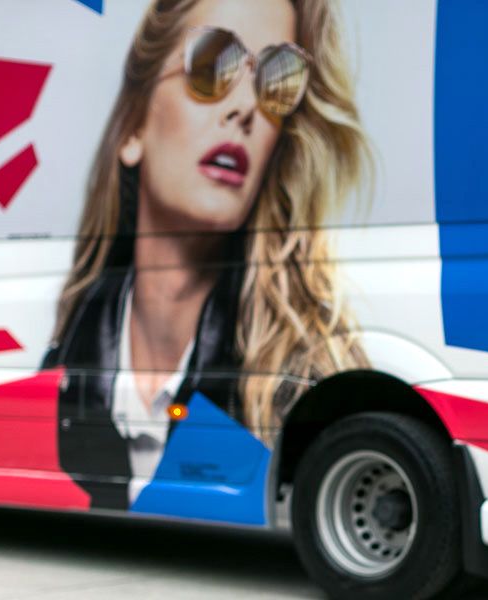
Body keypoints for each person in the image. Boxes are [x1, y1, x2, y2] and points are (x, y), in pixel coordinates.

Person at [43, 0, 369, 509]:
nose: (245, 108)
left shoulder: (301, 380)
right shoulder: (57, 374)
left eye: (275, 81)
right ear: (133, 128)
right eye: (213, 63)